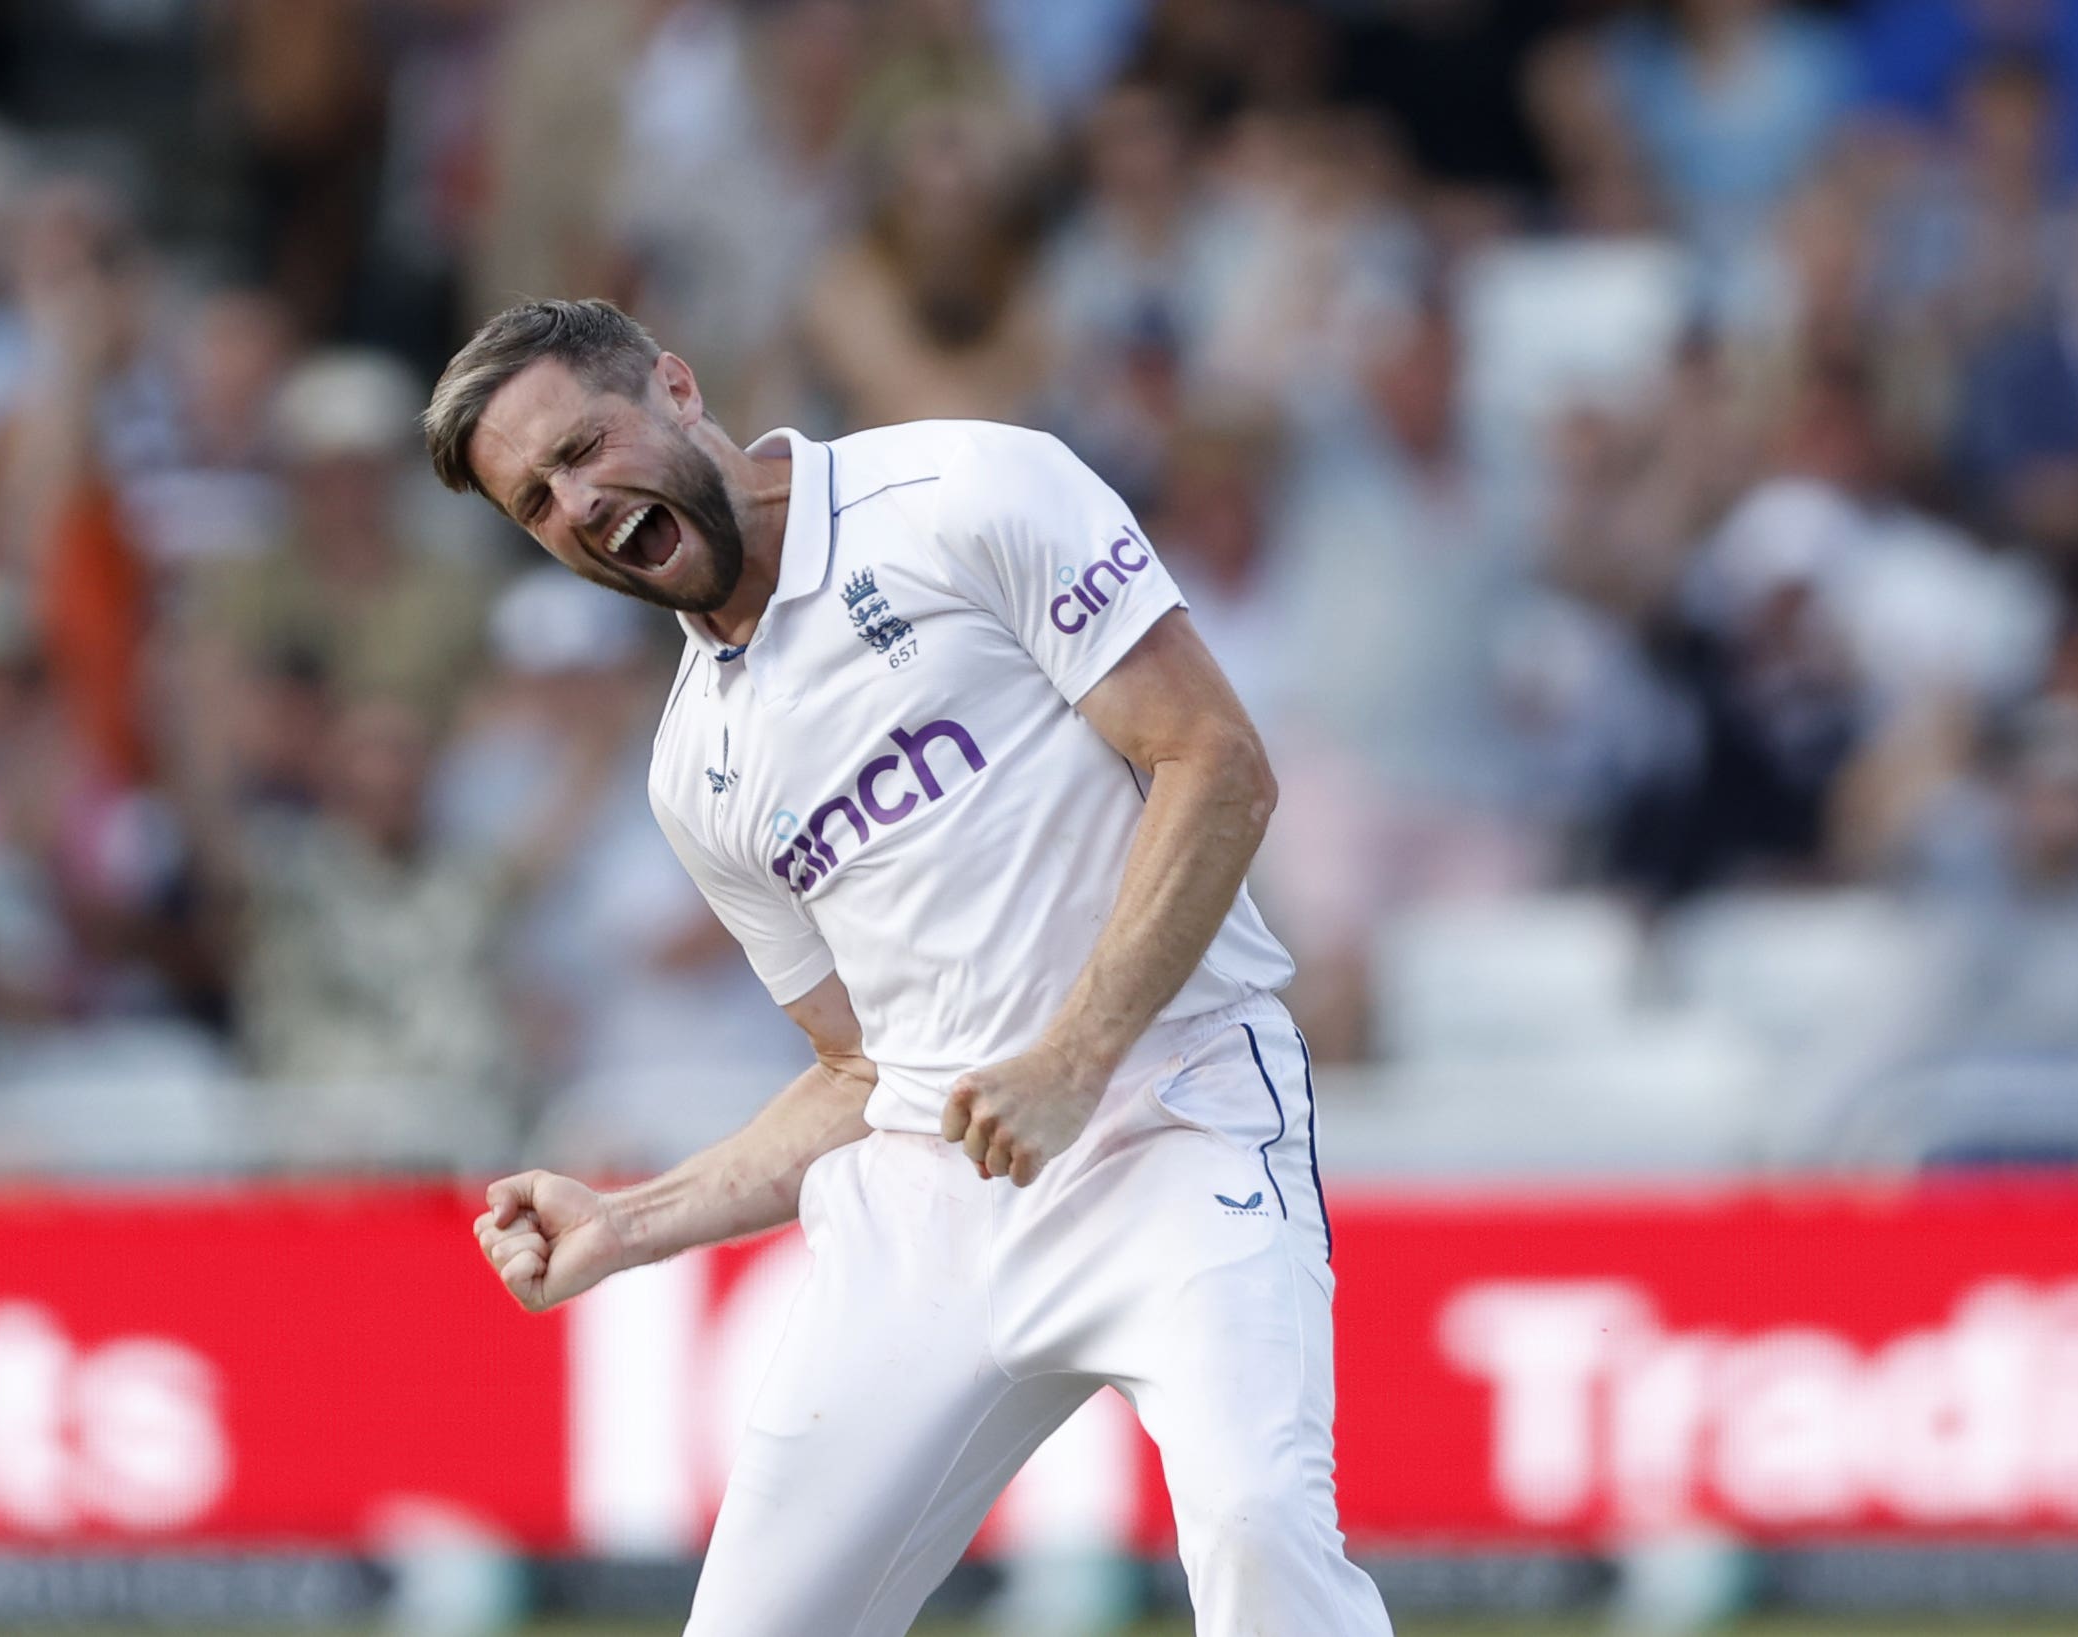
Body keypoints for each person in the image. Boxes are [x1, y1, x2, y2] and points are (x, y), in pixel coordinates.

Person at [426, 298, 1391, 1637]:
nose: (582, 501)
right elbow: (859, 1068)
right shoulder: (693, 766)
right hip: (931, 1203)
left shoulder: (965, 490)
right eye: (537, 499)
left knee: (1258, 1528)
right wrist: (627, 1223)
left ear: (678, 387)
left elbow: (1215, 761)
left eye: (587, 445)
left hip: (1180, 1116)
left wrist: (1071, 1056)